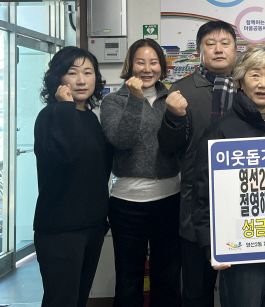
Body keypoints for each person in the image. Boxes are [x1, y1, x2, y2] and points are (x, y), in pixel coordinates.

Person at [192, 45, 265, 307]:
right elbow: (202, 194)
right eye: (255, 75)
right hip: (241, 247)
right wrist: (212, 245)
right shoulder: (221, 131)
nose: (263, 83)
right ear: (240, 81)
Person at [101, 38, 188, 307]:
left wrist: (176, 115)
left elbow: (176, 147)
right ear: (130, 65)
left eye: (154, 62)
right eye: (140, 62)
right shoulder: (112, 101)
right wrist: (136, 100)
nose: (147, 69)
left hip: (169, 199)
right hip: (127, 203)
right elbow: (122, 140)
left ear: (162, 66)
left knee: (168, 277)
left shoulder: (172, 99)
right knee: (129, 278)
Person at [158, 21, 237, 307]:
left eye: (225, 43)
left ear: (236, 50)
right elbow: (168, 148)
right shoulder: (182, 91)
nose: (218, 49)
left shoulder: (248, 86)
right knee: (196, 290)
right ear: (199, 51)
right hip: (196, 204)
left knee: (241, 291)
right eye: (210, 44)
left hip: (241, 204)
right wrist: (173, 118)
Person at [33, 46, 113, 307]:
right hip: (60, 229)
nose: (81, 80)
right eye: (72, 72)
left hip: (92, 226)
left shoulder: (90, 118)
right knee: (61, 301)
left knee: (79, 299)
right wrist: (66, 106)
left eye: (88, 73)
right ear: (58, 78)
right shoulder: (50, 115)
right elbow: (66, 154)